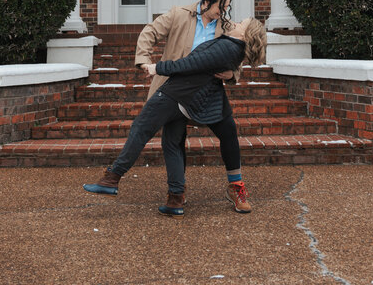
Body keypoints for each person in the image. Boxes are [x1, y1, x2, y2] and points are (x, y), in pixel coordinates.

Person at [83, 14, 266, 216]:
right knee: (171, 142)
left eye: (241, 23)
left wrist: (157, 68)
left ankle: (112, 179)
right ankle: (175, 198)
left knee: (141, 129)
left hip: (175, 94)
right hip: (183, 95)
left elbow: (190, 63)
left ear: (245, 34)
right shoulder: (229, 43)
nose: (236, 22)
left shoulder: (228, 46)